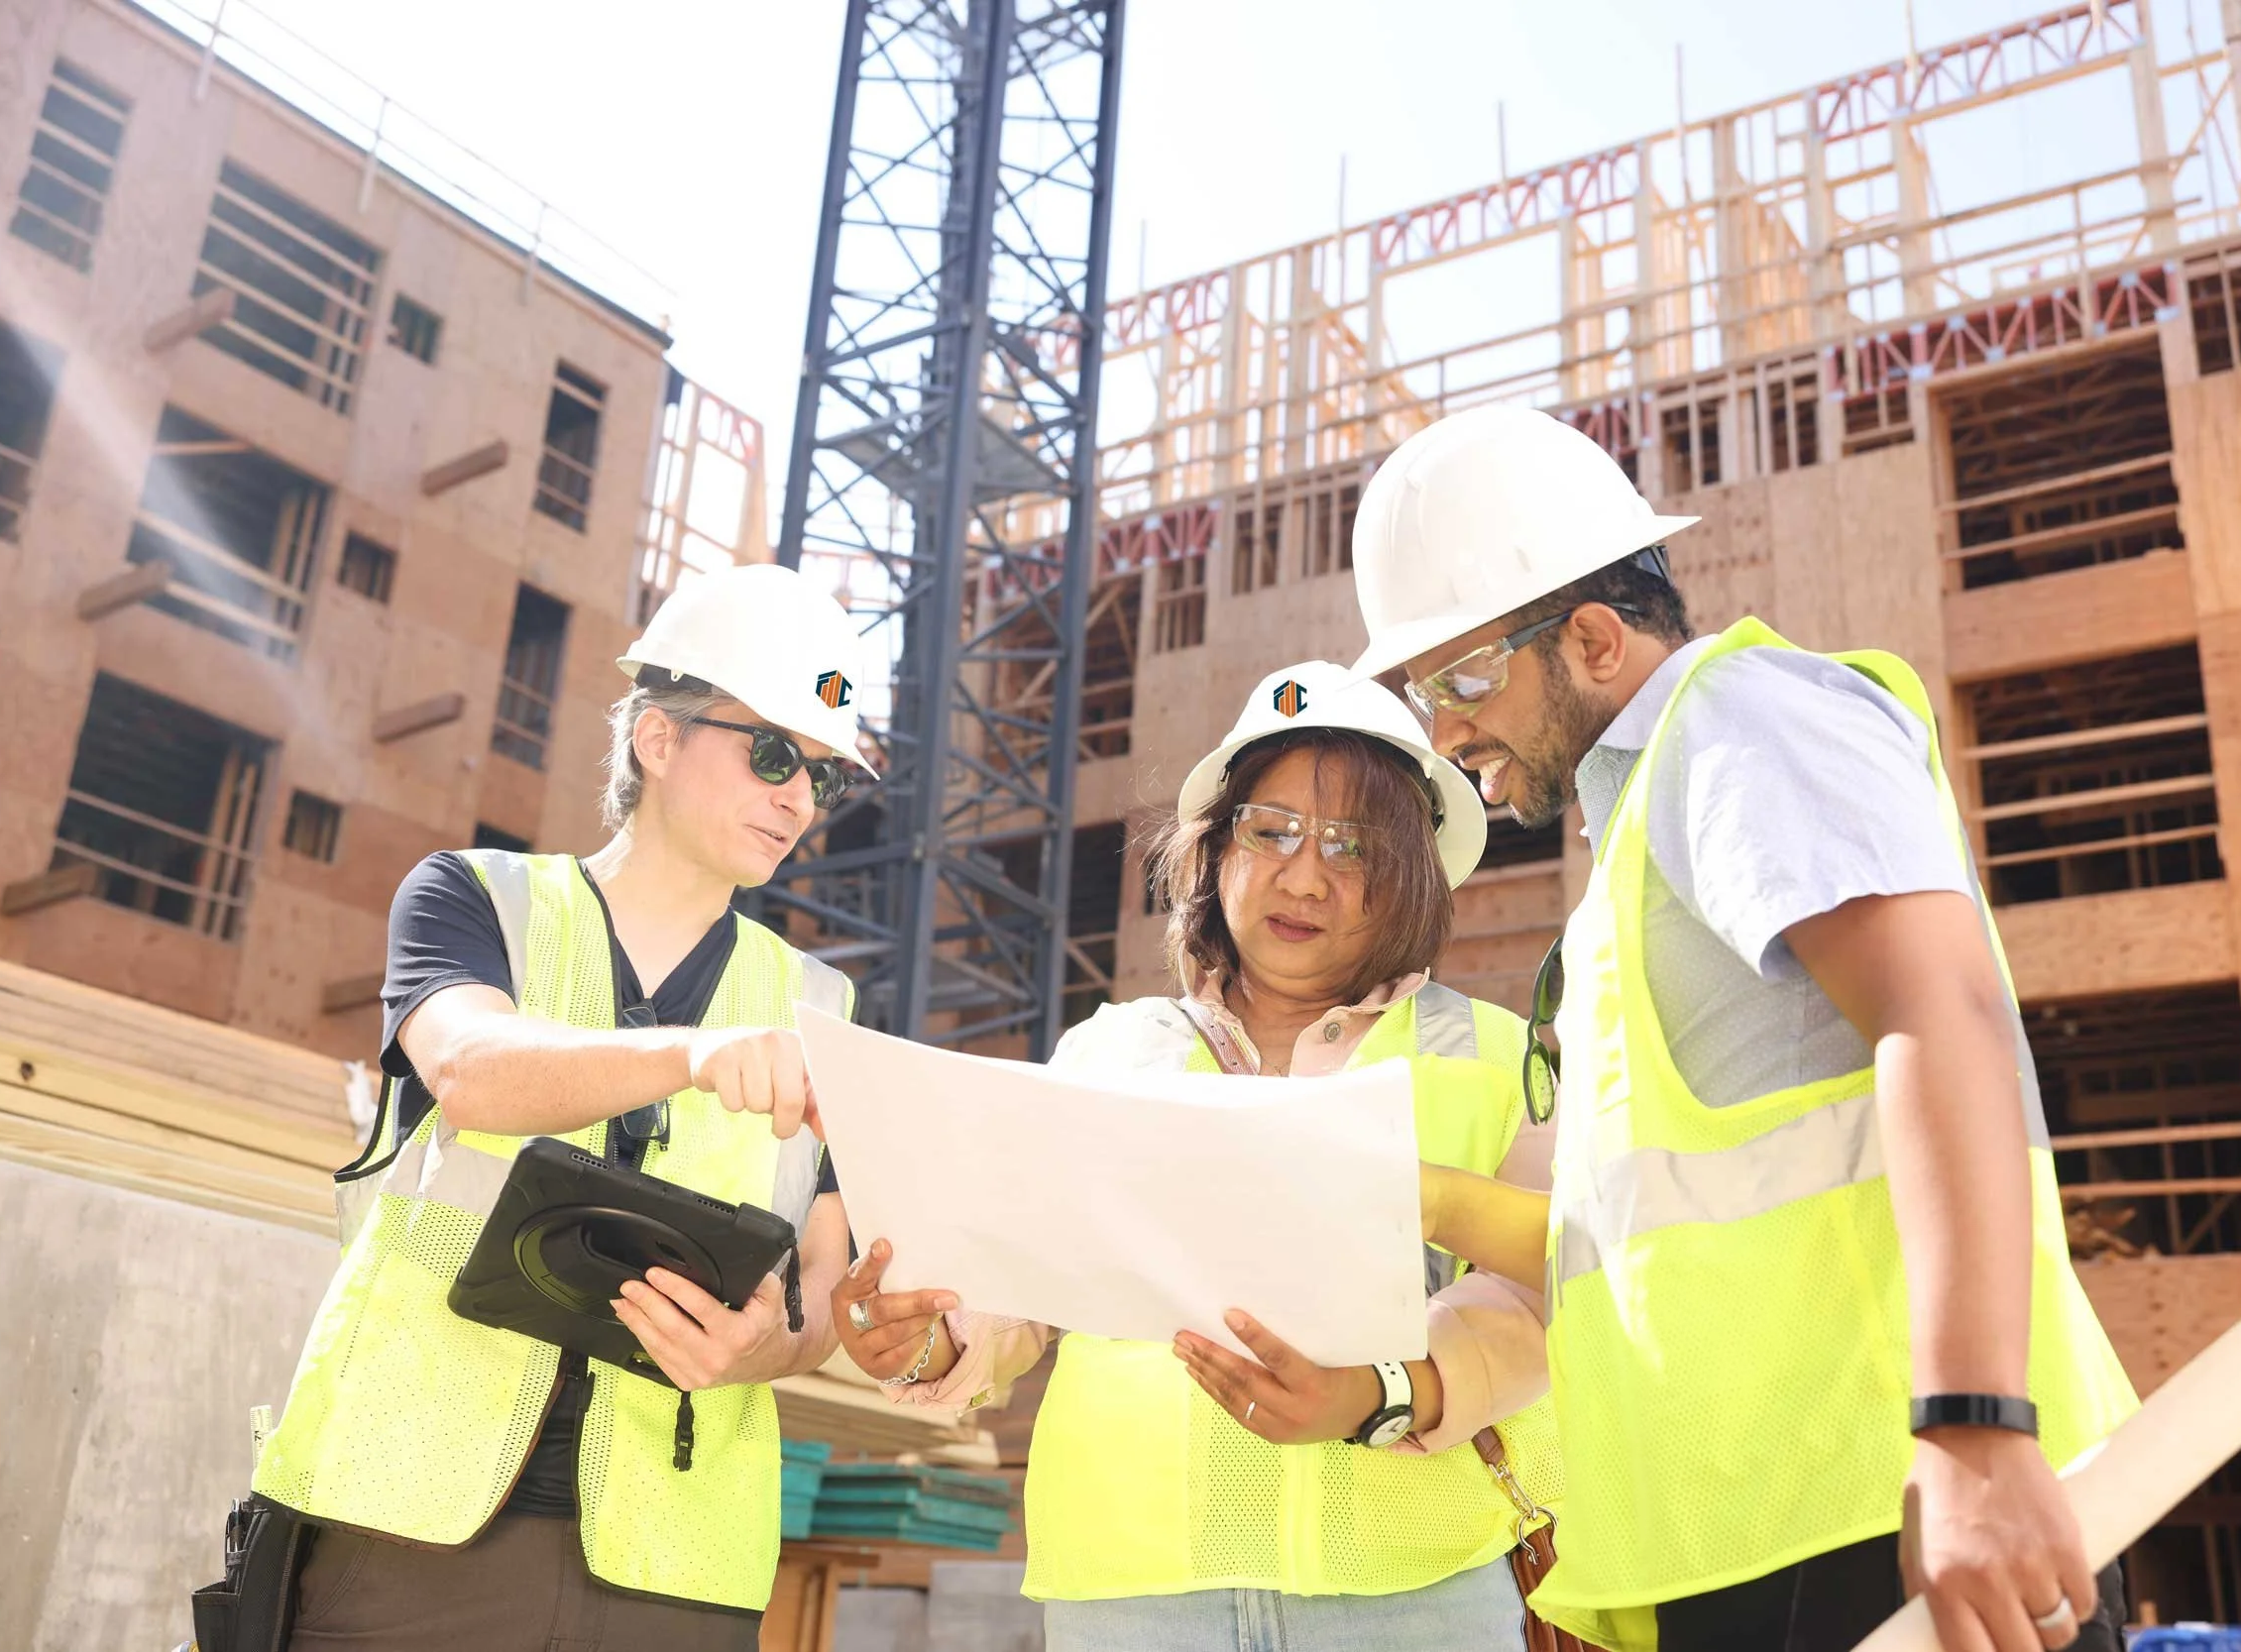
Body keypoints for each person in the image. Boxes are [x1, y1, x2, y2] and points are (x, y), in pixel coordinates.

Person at [1345, 405, 2143, 1652]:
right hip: (1775, 1536)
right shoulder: (1642, 836)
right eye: (1416, 690)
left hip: (1880, 1518)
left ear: (1595, 638)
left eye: (1456, 679)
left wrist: (1975, 1427)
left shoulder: (1736, 721)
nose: (1441, 733)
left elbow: (1944, 1012)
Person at [829, 661, 1565, 1652]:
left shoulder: (1490, 1056)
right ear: (1215, 850)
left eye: (1354, 845)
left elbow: (1544, 1300)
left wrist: (1381, 1394)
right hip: (1134, 1594)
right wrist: (921, 1339)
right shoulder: (1110, 1051)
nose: (1305, 874)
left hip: (1411, 1585)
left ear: (1410, 874)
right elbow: (1015, 1293)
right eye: (1271, 830)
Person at [246, 563, 859, 1652]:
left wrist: (761, 1346)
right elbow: (471, 1067)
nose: (800, 798)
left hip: (673, 1563)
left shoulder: (818, 1006)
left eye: (825, 777)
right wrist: (689, 1050)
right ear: (658, 740)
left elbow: (823, 1281)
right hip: (409, 1525)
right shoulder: (474, 897)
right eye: (775, 753)